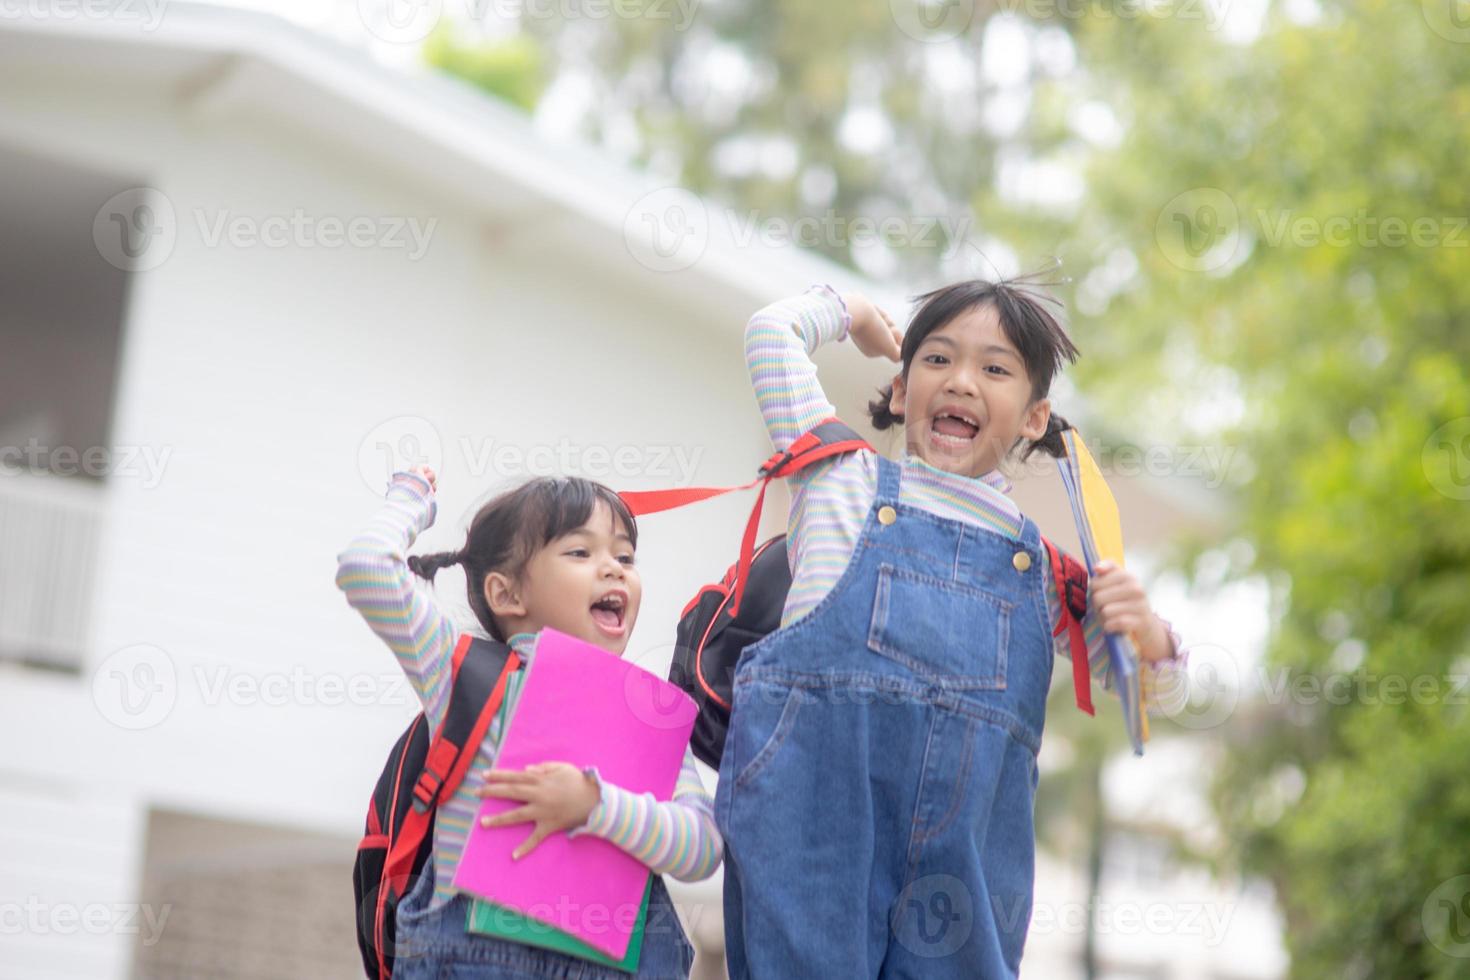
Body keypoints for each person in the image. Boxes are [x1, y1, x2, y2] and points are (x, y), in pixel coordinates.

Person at [717, 278, 1186, 979]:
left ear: (1034, 418)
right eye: (937, 360)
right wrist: (857, 315)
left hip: (967, 870)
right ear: (902, 391)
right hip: (812, 825)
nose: (962, 381)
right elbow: (770, 333)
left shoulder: (1051, 578)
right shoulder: (838, 479)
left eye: (995, 369)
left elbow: (1159, 694)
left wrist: (1149, 633)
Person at [337, 465, 721, 978]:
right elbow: (366, 569)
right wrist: (413, 499)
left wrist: (597, 806)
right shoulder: (460, 670)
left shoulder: (651, 711)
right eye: (581, 552)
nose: (614, 569)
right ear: (507, 595)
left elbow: (702, 846)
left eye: (625, 555)